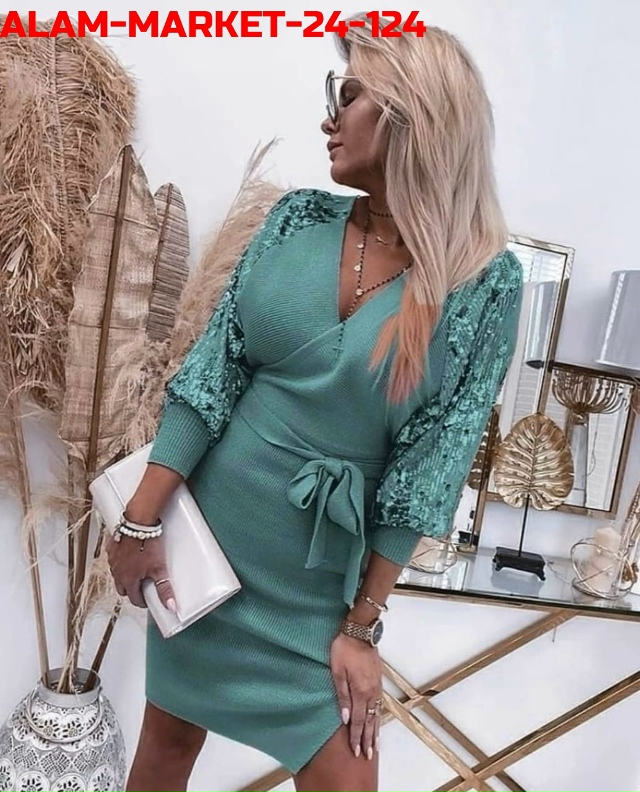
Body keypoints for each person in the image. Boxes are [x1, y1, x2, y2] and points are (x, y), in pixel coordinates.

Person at [106, 14, 523, 792]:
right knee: (164, 747)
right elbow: (213, 373)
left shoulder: (483, 283)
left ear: (410, 116)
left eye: (350, 95)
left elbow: (431, 468)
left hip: (317, 590)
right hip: (212, 546)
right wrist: (141, 520)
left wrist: (362, 627)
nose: (330, 117)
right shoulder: (296, 218)